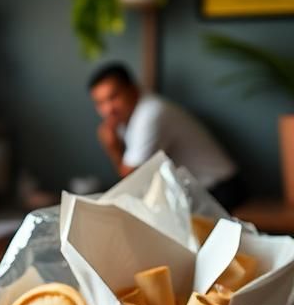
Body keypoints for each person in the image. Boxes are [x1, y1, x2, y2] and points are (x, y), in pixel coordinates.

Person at [88, 61, 245, 210]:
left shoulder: (150, 113)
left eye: (113, 97)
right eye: (100, 103)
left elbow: (132, 177)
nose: (108, 109)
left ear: (133, 90)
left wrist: (112, 147)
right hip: (194, 191)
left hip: (220, 190)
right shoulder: (126, 121)